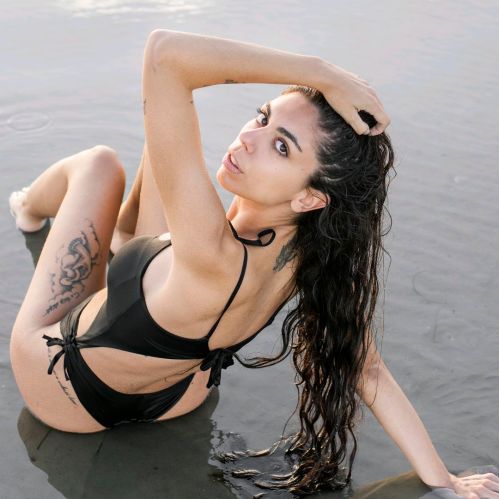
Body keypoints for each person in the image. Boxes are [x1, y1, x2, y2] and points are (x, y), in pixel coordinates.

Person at [7, 29, 498, 497]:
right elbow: (367, 371)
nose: (249, 139)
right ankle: (124, 238)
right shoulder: (313, 256)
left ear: (310, 197)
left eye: (281, 147)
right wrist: (443, 480)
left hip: (67, 394)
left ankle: (27, 208)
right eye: (262, 117)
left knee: (99, 164)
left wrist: (321, 72)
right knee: (165, 150)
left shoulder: (207, 245)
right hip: (179, 397)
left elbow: (165, 56)